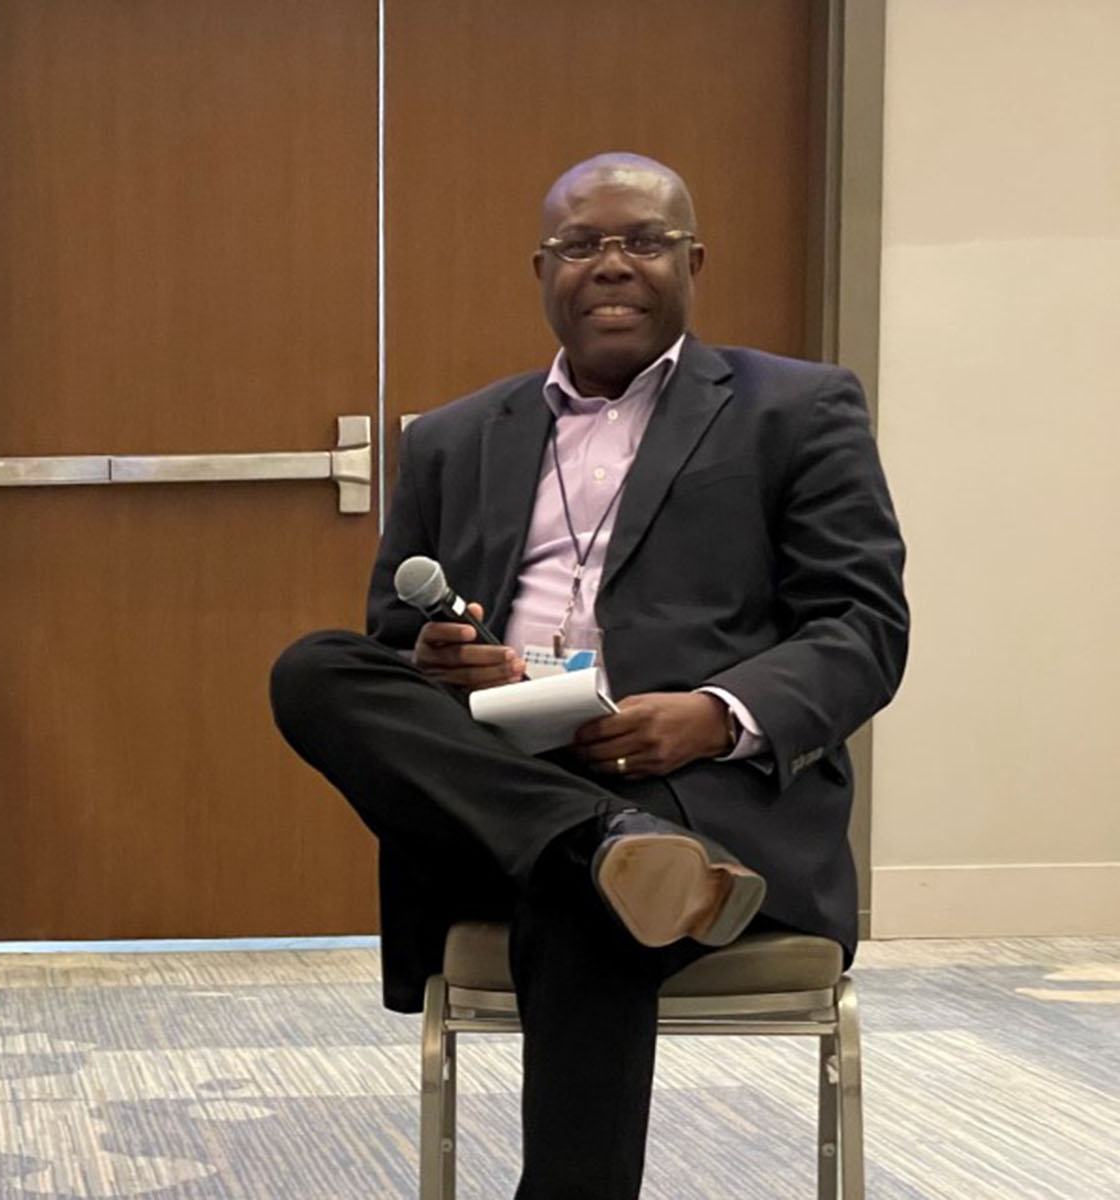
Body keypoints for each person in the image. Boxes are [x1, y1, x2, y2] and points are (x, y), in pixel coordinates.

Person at [270, 153, 908, 1200]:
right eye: (581, 245)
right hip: (504, 783)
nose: (612, 265)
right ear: (541, 271)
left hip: (703, 807)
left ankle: (612, 850)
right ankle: (599, 839)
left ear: (694, 261)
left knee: (591, 902)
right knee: (314, 670)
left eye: (643, 241)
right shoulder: (456, 437)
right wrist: (434, 662)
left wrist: (715, 715)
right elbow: (392, 639)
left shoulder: (795, 410)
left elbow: (862, 625)